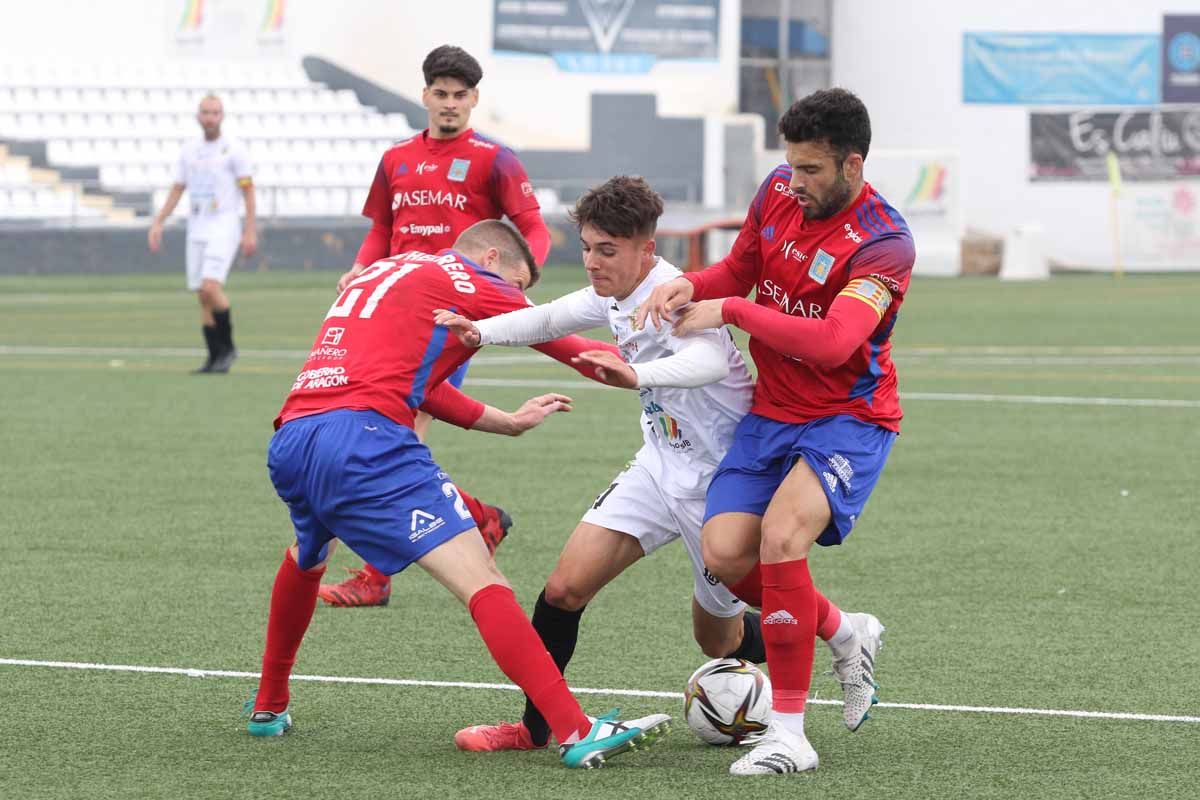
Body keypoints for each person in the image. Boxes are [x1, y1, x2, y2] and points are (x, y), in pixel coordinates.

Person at [435, 176, 879, 754]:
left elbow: (708, 362)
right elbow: (546, 318)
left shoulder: (676, 292)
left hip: (721, 483)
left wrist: (638, 375)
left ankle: (844, 629)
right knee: (564, 588)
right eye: (588, 248)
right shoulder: (609, 293)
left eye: (607, 251)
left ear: (647, 249)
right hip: (658, 466)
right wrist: (480, 331)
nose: (593, 262)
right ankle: (534, 729)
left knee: (717, 638)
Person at [247, 219, 671, 769]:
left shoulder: (390, 270)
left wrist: (506, 422)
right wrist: (674, 368)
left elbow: (415, 380)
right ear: (491, 258)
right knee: (484, 583)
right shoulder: (471, 276)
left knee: (308, 555)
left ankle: (268, 705)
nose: (515, 299)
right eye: (517, 285)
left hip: (295, 437)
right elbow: (561, 340)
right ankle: (576, 729)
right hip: (367, 442)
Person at [637, 88, 914, 776]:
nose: (795, 183)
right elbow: (743, 269)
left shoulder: (884, 242)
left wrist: (729, 308)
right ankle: (846, 631)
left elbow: (832, 342)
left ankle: (789, 733)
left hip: (848, 416)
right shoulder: (780, 190)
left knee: (781, 537)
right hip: (773, 411)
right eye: (790, 166)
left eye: (812, 170)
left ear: (853, 165)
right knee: (726, 554)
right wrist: (691, 286)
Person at [321, 44, 553, 605]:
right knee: (393, 440)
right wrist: (360, 267)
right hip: (390, 316)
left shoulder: (495, 160)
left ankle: (375, 579)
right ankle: (479, 517)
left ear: (475, 99)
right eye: (441, 93)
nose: (450, 104)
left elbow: (531, 229)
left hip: (448, 321)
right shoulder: (396, 158)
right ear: (425, 95)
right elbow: (382, 228)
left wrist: (519, 282)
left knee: (396, 439)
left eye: (461, 95)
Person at [148, 93, 256, 374]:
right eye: (206, 112)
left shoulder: (234, 149)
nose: (210, 117)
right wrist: (159, 221)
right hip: (197, 225)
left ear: (222, 116)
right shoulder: (190, 150)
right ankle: (214, 357)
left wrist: (250, 230)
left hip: (224, 225)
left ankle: (229, 348)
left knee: (211, 286)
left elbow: (248, 190)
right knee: (202, 294)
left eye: (215, 112)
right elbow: (177, 187)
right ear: (198, 116)